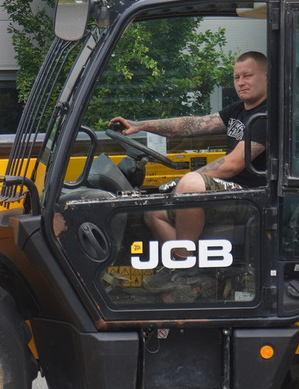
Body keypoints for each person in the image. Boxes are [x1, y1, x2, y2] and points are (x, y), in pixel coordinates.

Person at [109, 50, 268, 244]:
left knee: (191, 184)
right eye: (236, 77)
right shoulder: (238, 110)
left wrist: (183, 183)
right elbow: (191, 125)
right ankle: (184, 268)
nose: (241, 82)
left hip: (253, 198)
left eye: (248, 76)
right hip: (233, 193)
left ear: (267, 76)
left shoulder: (266, 116)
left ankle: (190, 273)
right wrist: (141, 125)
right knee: (153, 213)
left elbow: (233, 164)